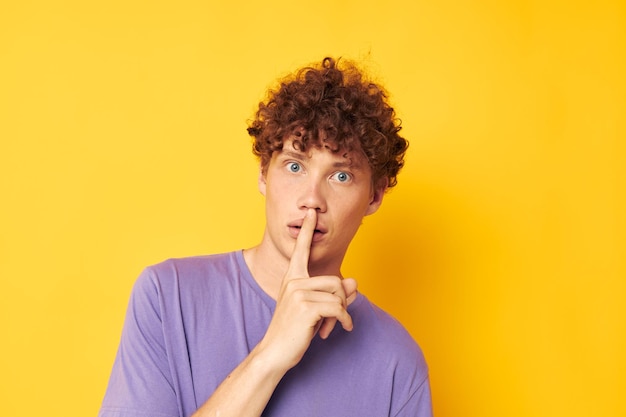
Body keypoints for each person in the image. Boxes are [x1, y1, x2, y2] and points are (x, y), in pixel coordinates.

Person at [99, 57, 433, 417]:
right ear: (263, 174)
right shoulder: (167, 297)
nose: (311, 200)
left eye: (341, 176)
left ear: (374, 196)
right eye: (294, 166)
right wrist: (270, 354)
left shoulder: (397, 363)